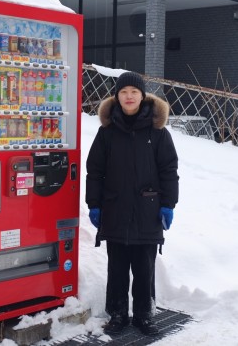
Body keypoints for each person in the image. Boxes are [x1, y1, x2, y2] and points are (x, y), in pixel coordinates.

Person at [85, 71, 179, 336]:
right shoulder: (107, 132)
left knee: (143, 267)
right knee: (117, 267)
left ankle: (143, 315)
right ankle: (117, 314)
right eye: (124, 92)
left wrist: (168, 204)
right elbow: (95, 170)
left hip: (148, 211)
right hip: (115, 208)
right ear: (117, 96)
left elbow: (169, 170)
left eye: (134, 92)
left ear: (142, 96)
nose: (129, 97)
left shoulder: (158, 132)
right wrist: (94, 203)